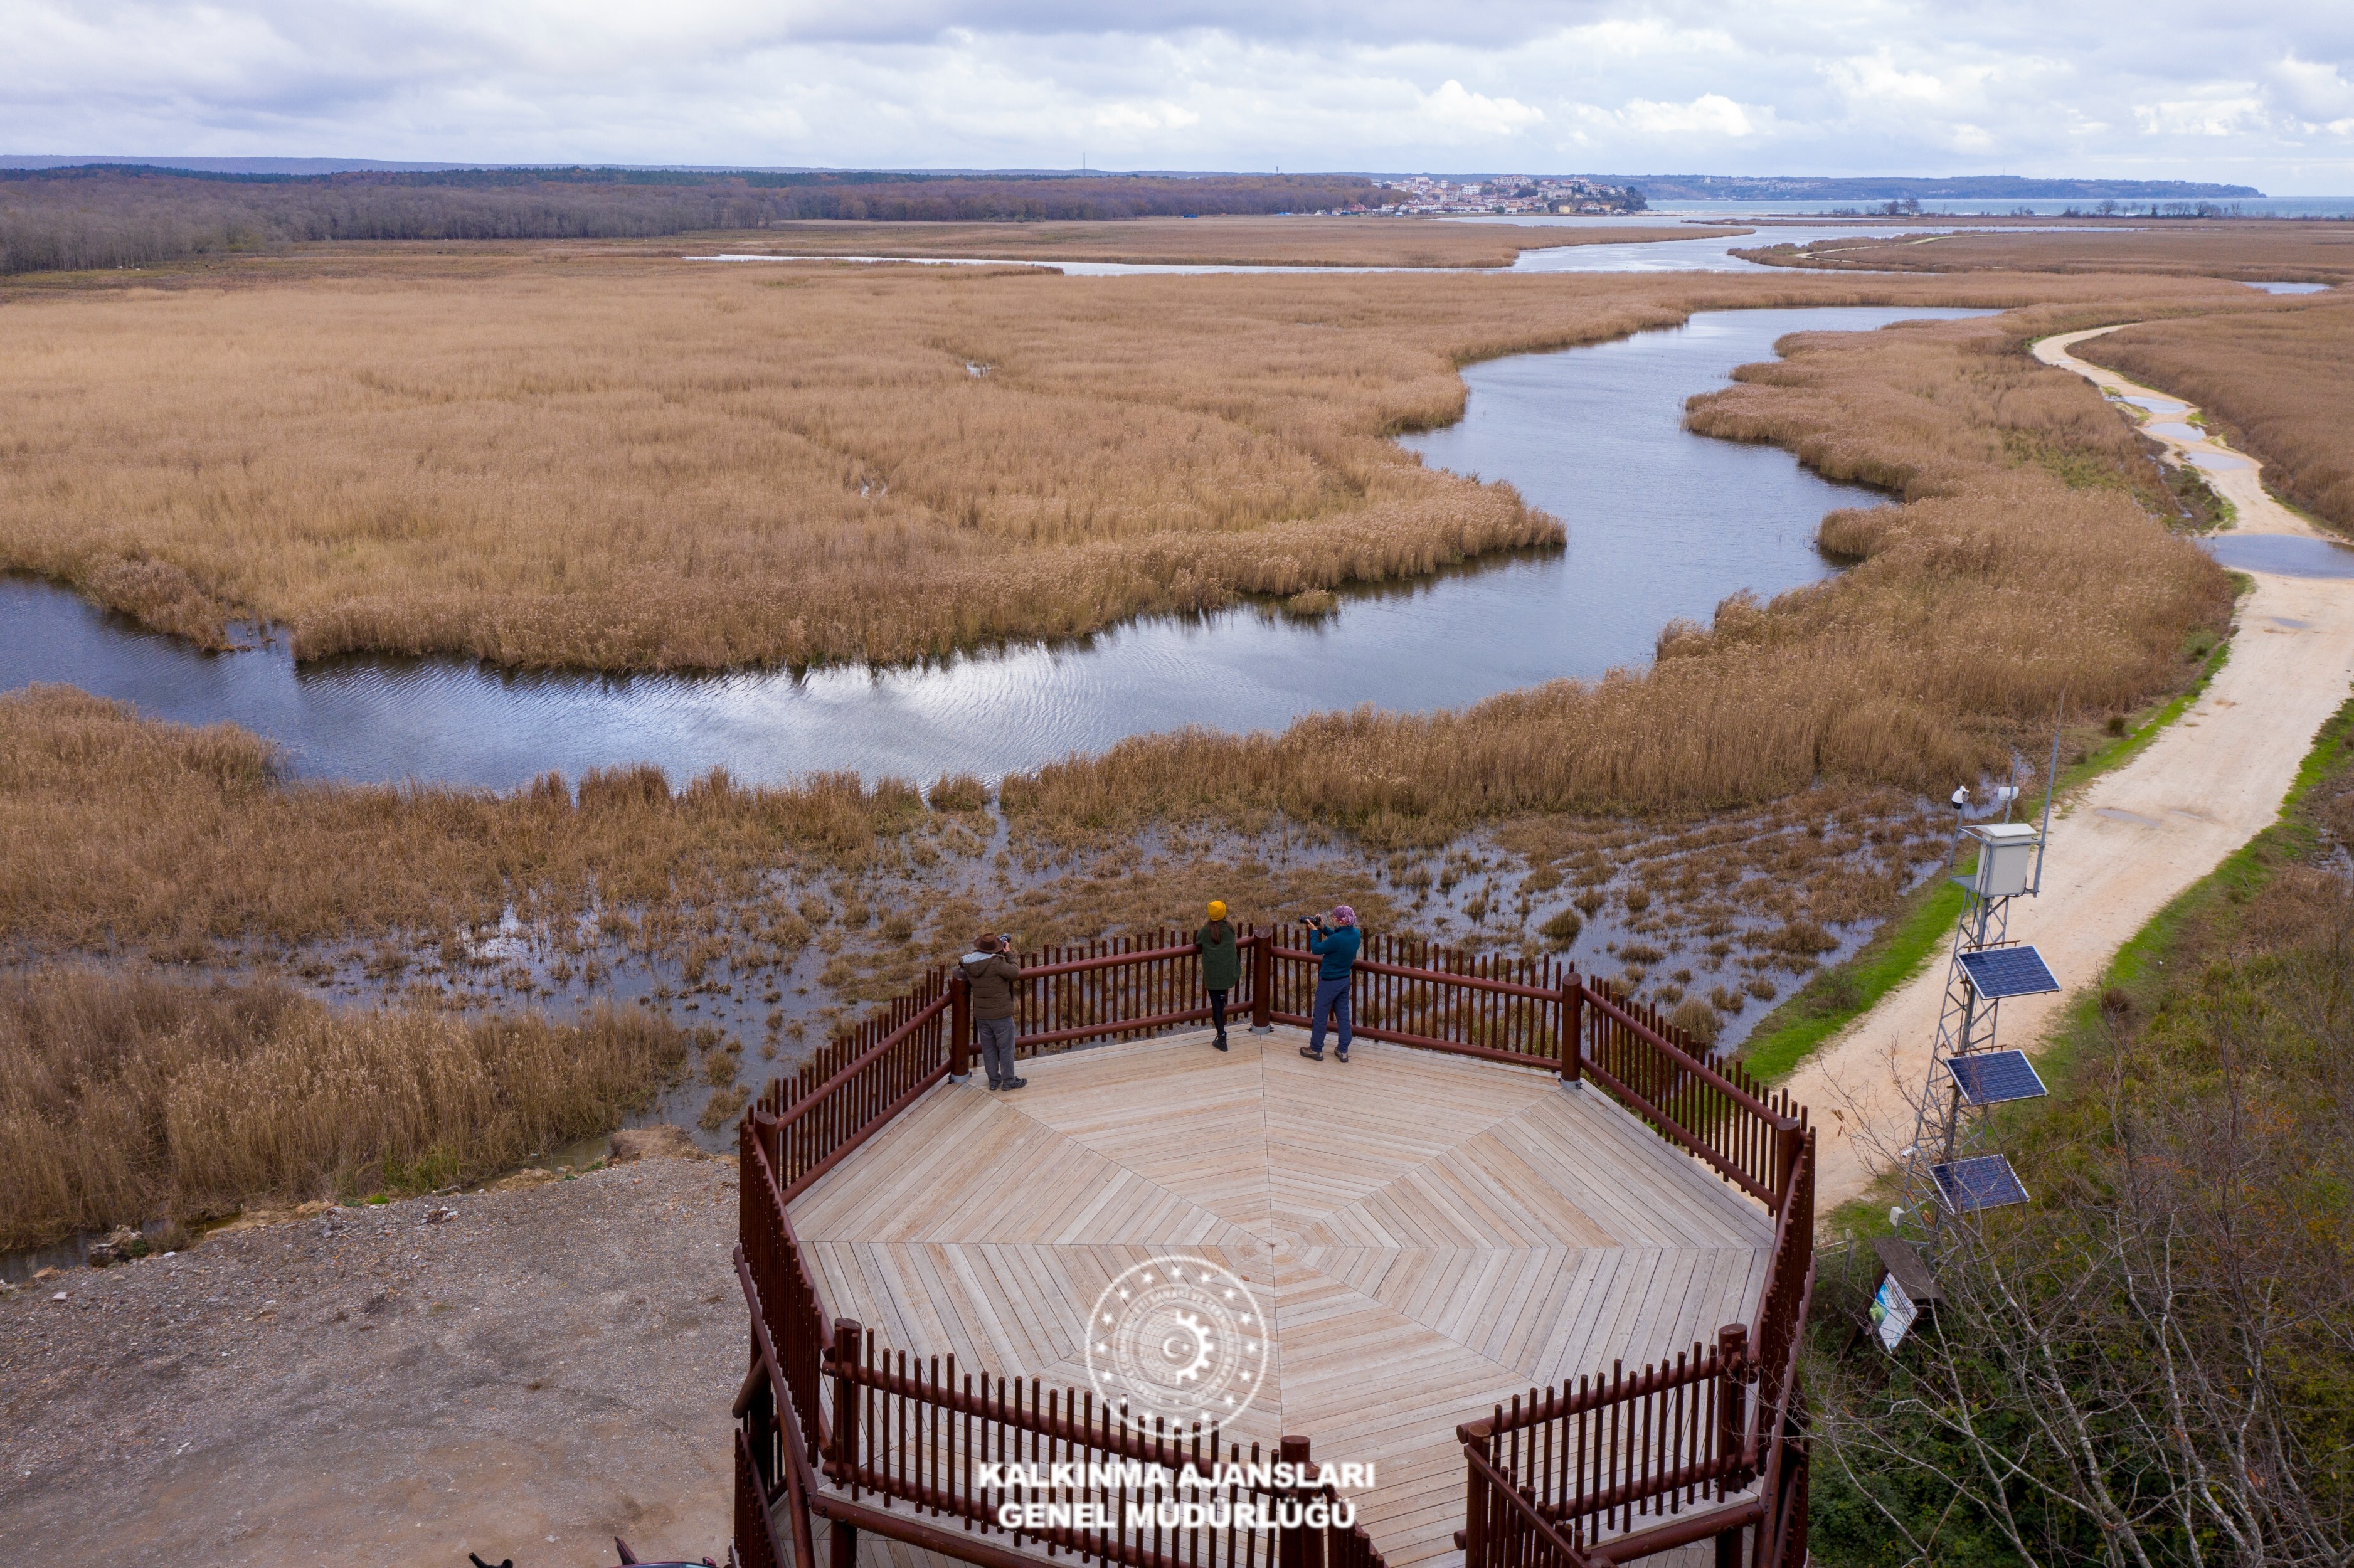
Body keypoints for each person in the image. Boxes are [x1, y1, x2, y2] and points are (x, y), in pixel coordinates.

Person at [960, 931, 1026, 1091]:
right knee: (1006, 1047)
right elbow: (1015, 972)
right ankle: (1009, 1081)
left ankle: (994, 1081)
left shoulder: (969, 964)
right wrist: (1008, 953)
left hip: (982, 1016)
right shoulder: (996, 963)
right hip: (1001, 1014)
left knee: (988, 1048)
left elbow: (970, 960)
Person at [1300, 906, 1360, 1064]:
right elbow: (1337, 938)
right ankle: (1343, 1050)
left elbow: (1316, 949)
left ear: (1340, 921)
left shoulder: (1337, 940)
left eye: (1334, 918)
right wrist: (1323, 928)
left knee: (1320, 1016)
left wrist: (1314, 931)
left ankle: (1316, 1049)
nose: (1333, 919)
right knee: (1343, 1016)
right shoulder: (1355, 934)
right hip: (1344, 981)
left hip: (1329, 983)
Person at [1196, 900, 1240, 1052]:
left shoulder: (1207, 931)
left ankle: (1222, 1038)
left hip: (1214, 977)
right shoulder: (1229, 929)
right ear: (1224, 913)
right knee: (1219, 1000)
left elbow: (1197, 939)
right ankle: (1221, 1031)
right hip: (1228, 973)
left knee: (1216, 1004)